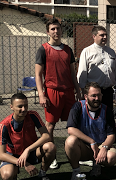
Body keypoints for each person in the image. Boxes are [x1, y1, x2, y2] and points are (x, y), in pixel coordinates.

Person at [35, 21, 82, 170]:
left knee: (75, 124)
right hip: (51, 92)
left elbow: (72, 73)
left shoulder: (68, 50)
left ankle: (78, 154)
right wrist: (42, 95)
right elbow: (37, 75)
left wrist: (78, 90)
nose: (56, 31)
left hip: (68, 91)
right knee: (50, 125)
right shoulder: (43, 49)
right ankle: (52, 156)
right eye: (52, 29)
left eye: (58, 29)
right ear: (48, 32)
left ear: (62, 31)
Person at [0, 93, 56, 180]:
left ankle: (42, 175)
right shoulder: (3, 125)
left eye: (26, 105)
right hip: (13, 155)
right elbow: (1, 154)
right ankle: (14, 172)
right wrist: (25, 164)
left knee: (50, 146)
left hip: (31, 152)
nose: (24, 109)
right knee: (7, 176)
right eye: (20, 106)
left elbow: (46, 136)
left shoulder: (33, 115)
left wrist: (27, 150)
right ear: (11, 107)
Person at [65, 82, 116, 180]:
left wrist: (104, 147)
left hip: (100, 146)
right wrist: (91, 141)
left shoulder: (106, 110)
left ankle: (97, 165)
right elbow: (71, 129)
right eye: (93, 95)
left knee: (112, 157)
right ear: (86, 96)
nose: (97, 98)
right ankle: (76, 172)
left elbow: (111, 135)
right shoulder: (78, 106)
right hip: (84, 147)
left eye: (99, 95)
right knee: (70, 141)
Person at [77, 25, 116, 110]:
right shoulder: (87, 51)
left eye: (106, 35)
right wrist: (83, 92)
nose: (105, 37)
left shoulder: (111, 52)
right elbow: (82, 73)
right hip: (94, 93)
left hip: (108, 92)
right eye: (102, 35)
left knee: (108, 118)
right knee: (95, 118)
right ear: (94, 36)